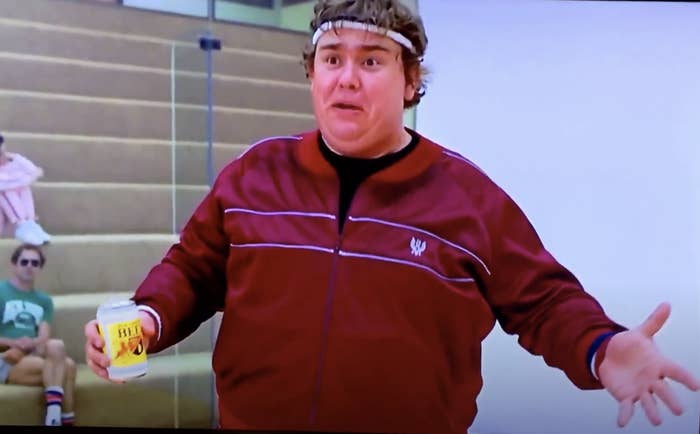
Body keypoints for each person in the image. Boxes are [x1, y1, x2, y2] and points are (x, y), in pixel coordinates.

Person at [83, 1, 699, 433]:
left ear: (410, 82)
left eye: (372, 60)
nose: (346, 79)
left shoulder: (466, 195)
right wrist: (144, 321)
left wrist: (600, 347)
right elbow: (192, 271)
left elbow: (542, 300)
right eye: (331, 59)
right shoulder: (254, 174)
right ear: (312, 73)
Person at [1, 244, 77, 426]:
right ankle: (66, 418)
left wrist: (30, 344)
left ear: (39, 268)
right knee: (68, 367)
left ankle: (53, 413)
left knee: (56, 346)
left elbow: (43, 340)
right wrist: (14, 344)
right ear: (14, 264)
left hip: (30, 356)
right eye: (24, 261)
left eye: (34, 263)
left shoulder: (44, 301)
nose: (29, 266)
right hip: (5, 357)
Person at [0, 133, 51, 246]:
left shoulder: (16, 159)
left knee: (23, 190)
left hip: (20, 199)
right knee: (6, 192)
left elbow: (37, 172)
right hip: (6, 209)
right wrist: (23, 181)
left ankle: (31, 225)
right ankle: (23, 226)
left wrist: (21, 182)